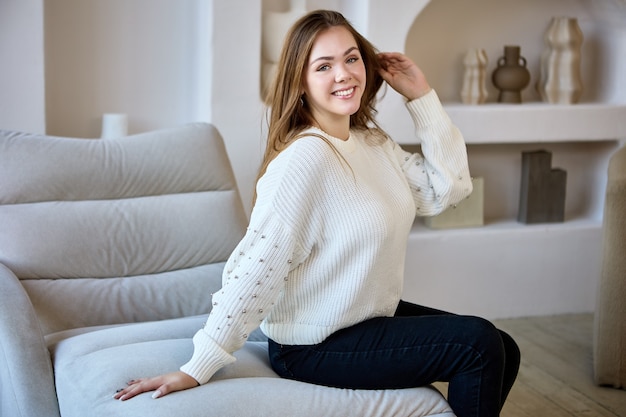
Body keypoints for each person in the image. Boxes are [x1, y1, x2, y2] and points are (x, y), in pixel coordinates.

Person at [114, 9, 520, 417]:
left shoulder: (371, 142)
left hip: (363, 318)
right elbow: (257, 269)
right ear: (301, 83)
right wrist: (197, 367)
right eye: (323, 66)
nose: (343, 74)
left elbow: (445, 190)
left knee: (504, 347)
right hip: (313, 345)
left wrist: (421, 98)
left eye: (350, 58)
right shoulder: (303, 160)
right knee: (478, 345)